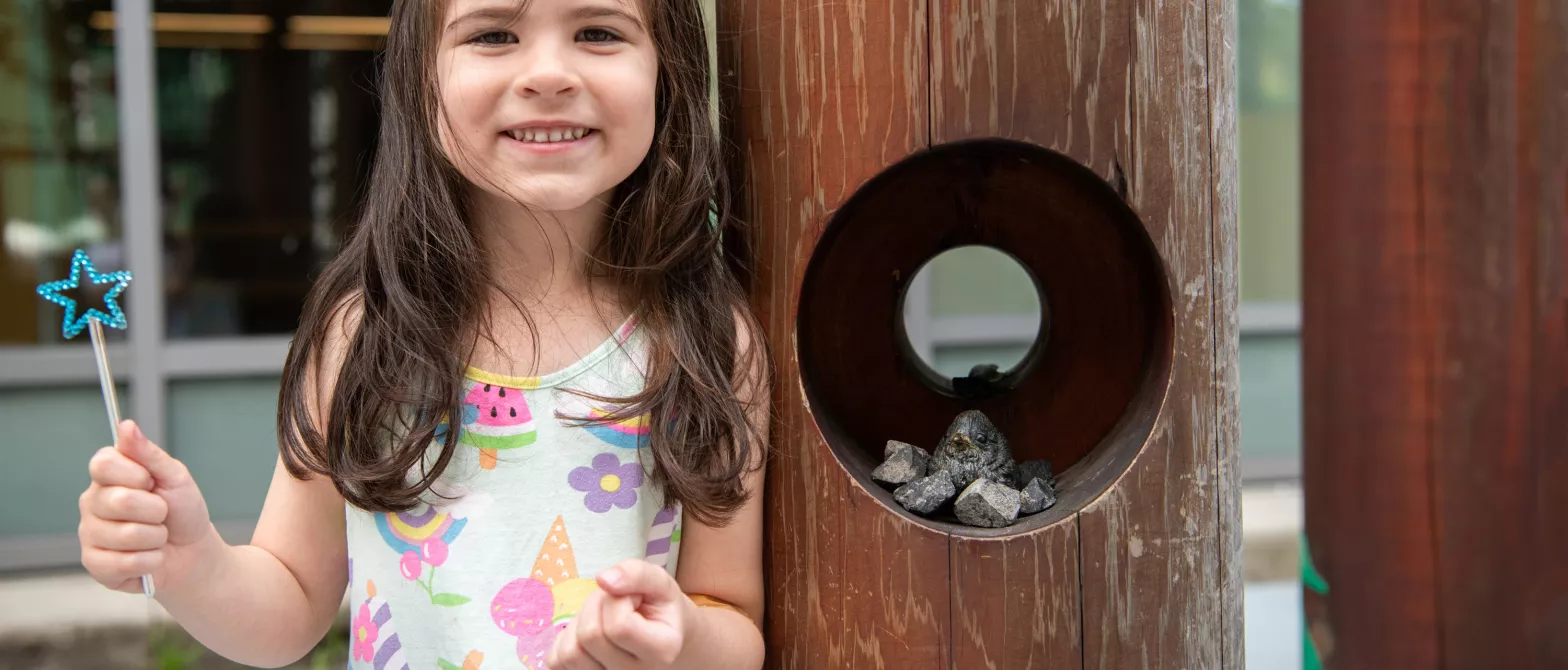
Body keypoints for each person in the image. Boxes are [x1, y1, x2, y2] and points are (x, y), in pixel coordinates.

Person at [75, 0, 770, 667]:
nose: (549, 72)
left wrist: (683, 644)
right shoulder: (363, 332)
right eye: (494, 35)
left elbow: (732, 617)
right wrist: (191, 562)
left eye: (598, 32)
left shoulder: (710, 341)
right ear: (419, 79)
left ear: (669, 72)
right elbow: (287, 605)